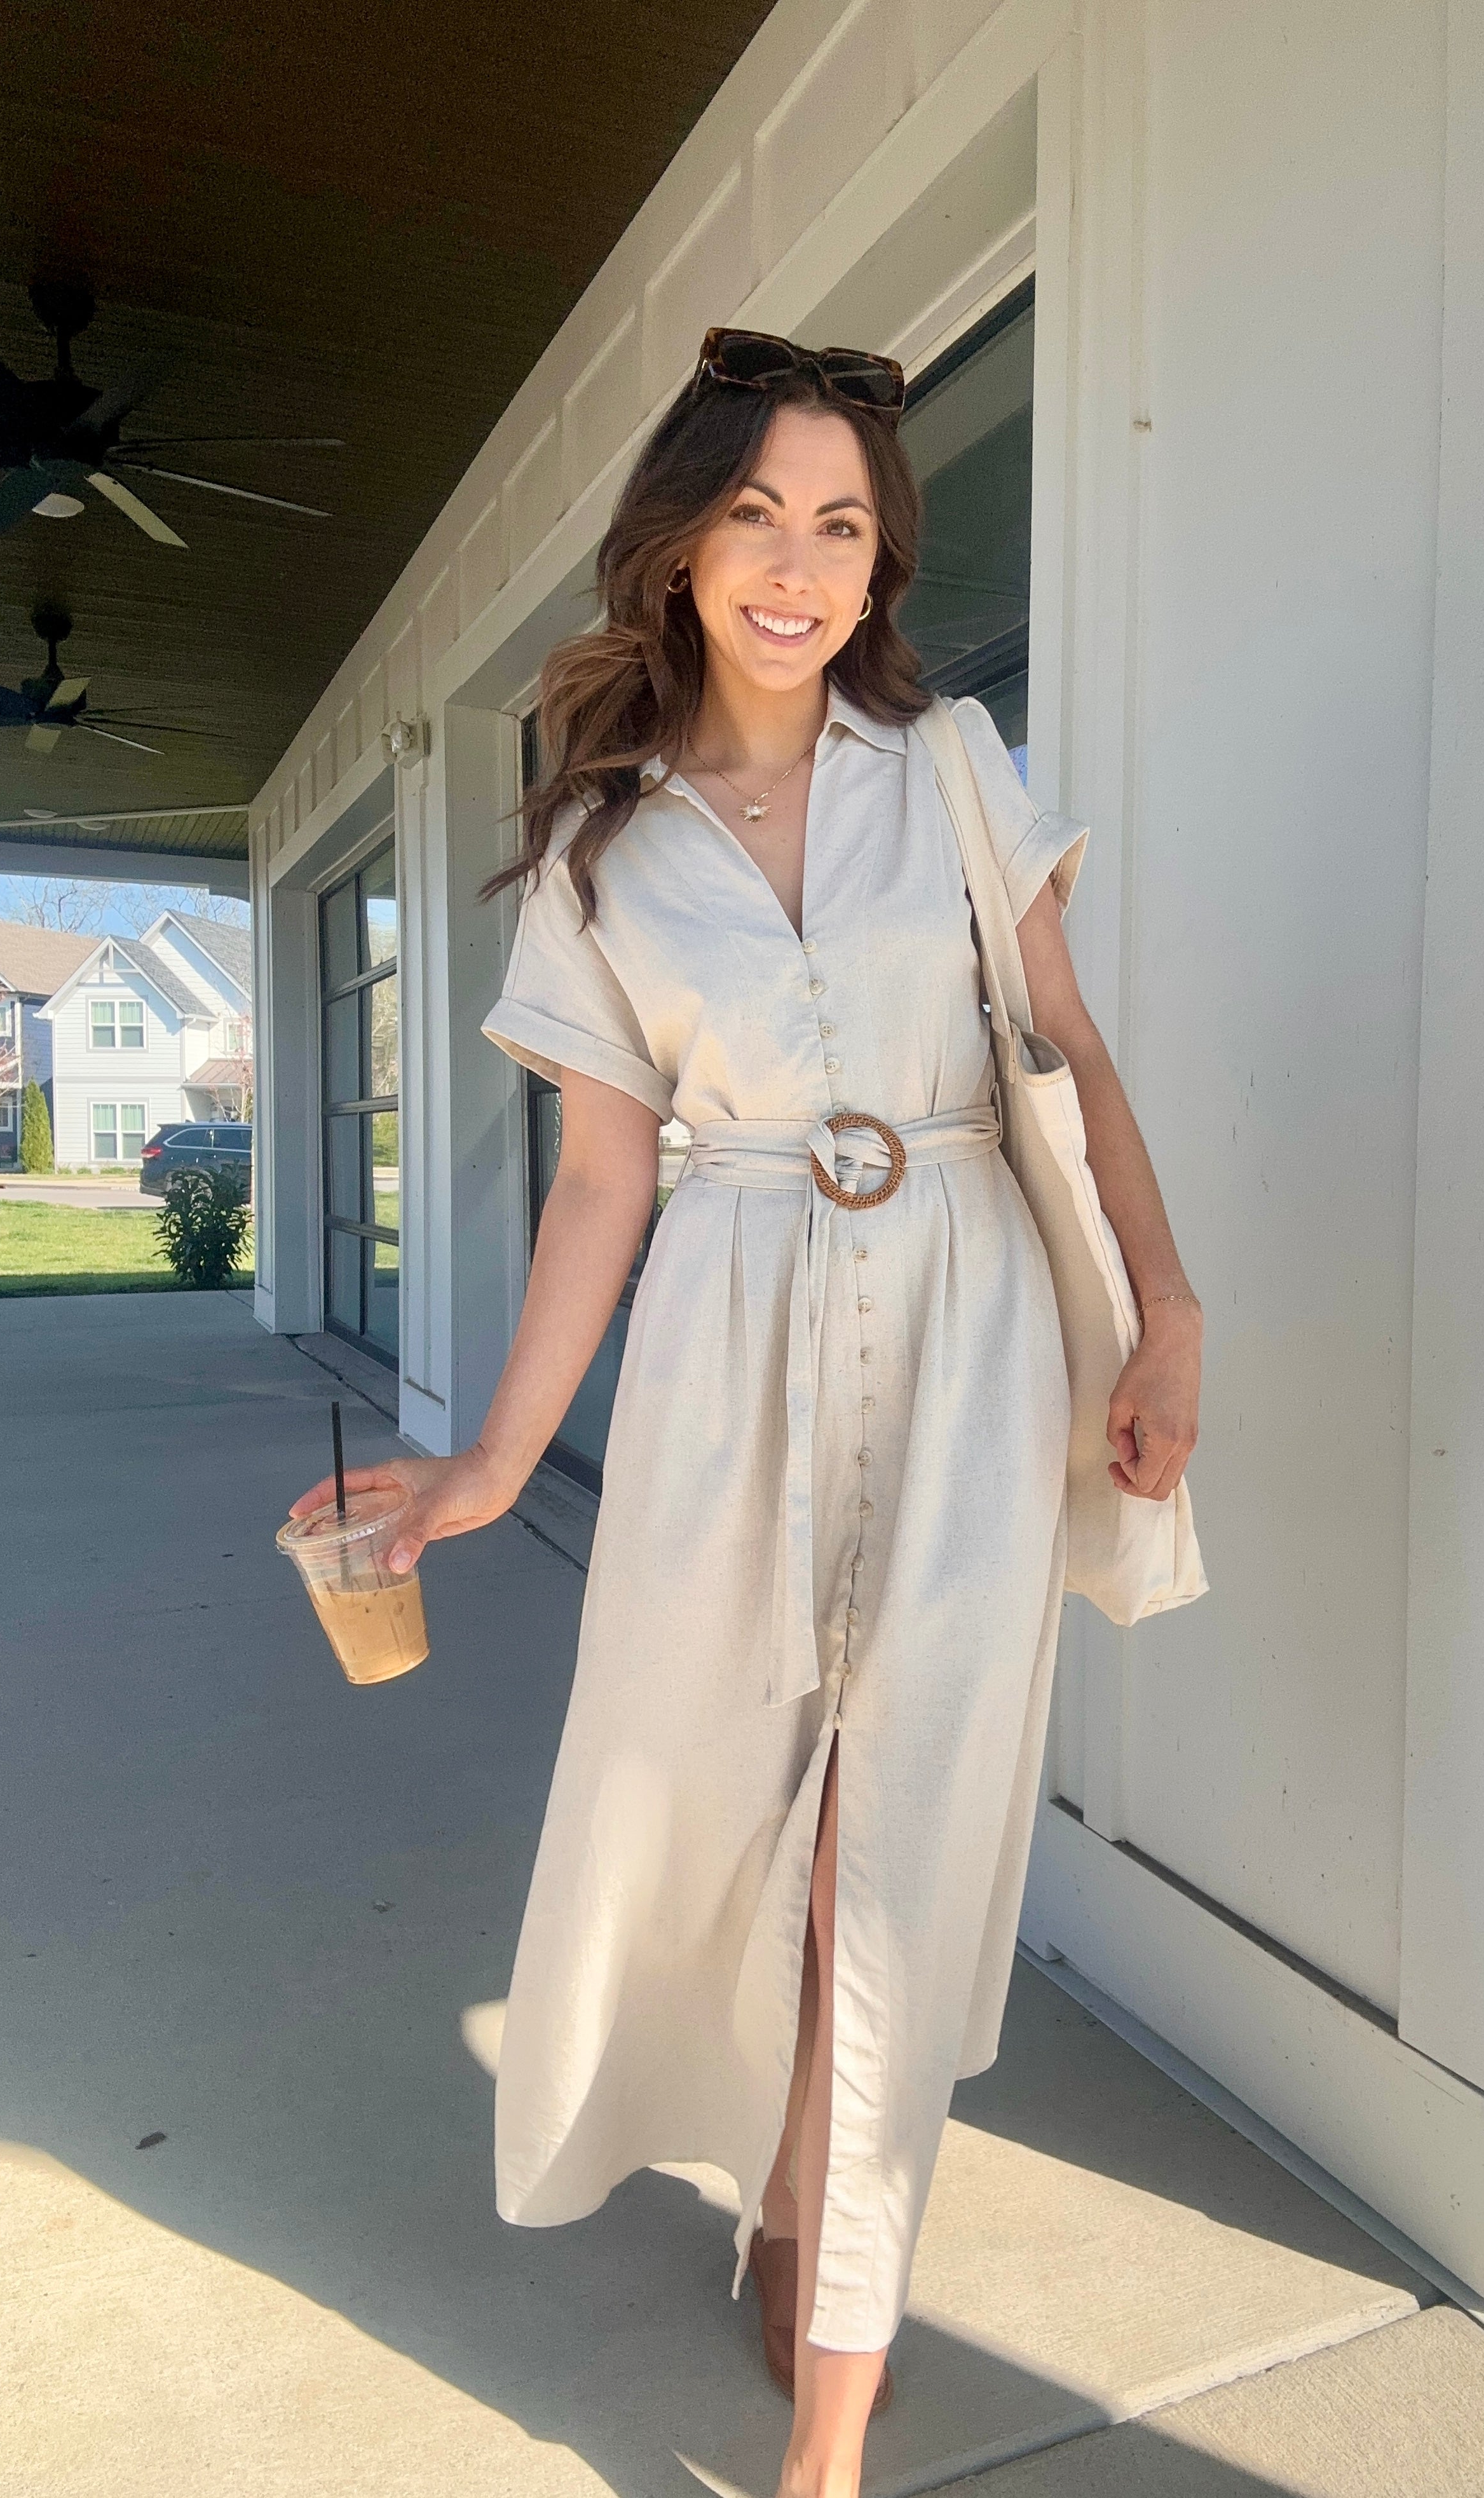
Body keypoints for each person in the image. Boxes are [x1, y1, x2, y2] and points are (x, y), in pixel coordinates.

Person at [290, 325, 1203, 2498]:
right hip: (725, 1353)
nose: (794, 565)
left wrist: (1166, 1308)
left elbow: (1060, 1055)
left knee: (894, 1853)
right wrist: (490, 1464)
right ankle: (791, 2186)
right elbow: (608, 1179)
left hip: (977, 1329)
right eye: (753, 517)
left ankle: (824, 2434)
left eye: (841, 524)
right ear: (682, 543)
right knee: (723, 1819)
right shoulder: (603, 845)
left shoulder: (959, 771)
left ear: (877, 563)